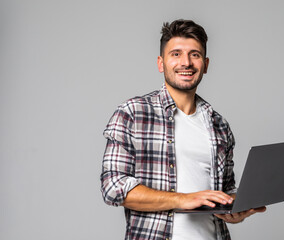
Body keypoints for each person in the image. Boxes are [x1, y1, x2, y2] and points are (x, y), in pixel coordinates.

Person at [100, 19, 266, 240]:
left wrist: (233, 208)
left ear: (206, 64)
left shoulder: (219, 125)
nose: (186, 62)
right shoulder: (133, 113)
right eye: (176, 54)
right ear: (161, 63)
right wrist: (182, 199)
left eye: (194, 54)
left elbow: (225, 189)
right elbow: (113, 186)